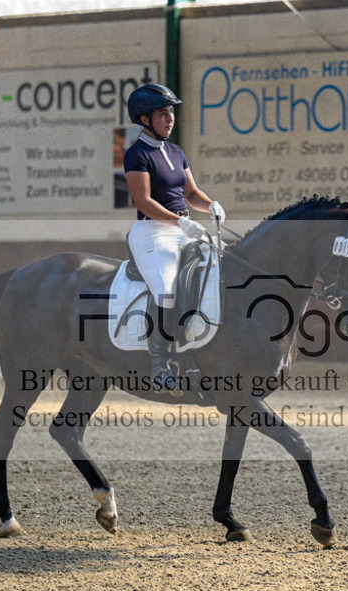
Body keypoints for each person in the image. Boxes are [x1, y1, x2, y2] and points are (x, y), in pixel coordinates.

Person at [124, 83, 225, 394]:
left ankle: (199, 348)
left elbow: (190, 193)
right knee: (167, 290)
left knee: (217, 270)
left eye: (171, 113)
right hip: (153, 232)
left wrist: (210, 205)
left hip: (183, 228)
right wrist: (181, 222)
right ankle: (161, 365)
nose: (170, 119)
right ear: (144, 119)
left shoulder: (175, 151)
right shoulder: (137, 155)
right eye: (162, 114)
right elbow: (144, 202)